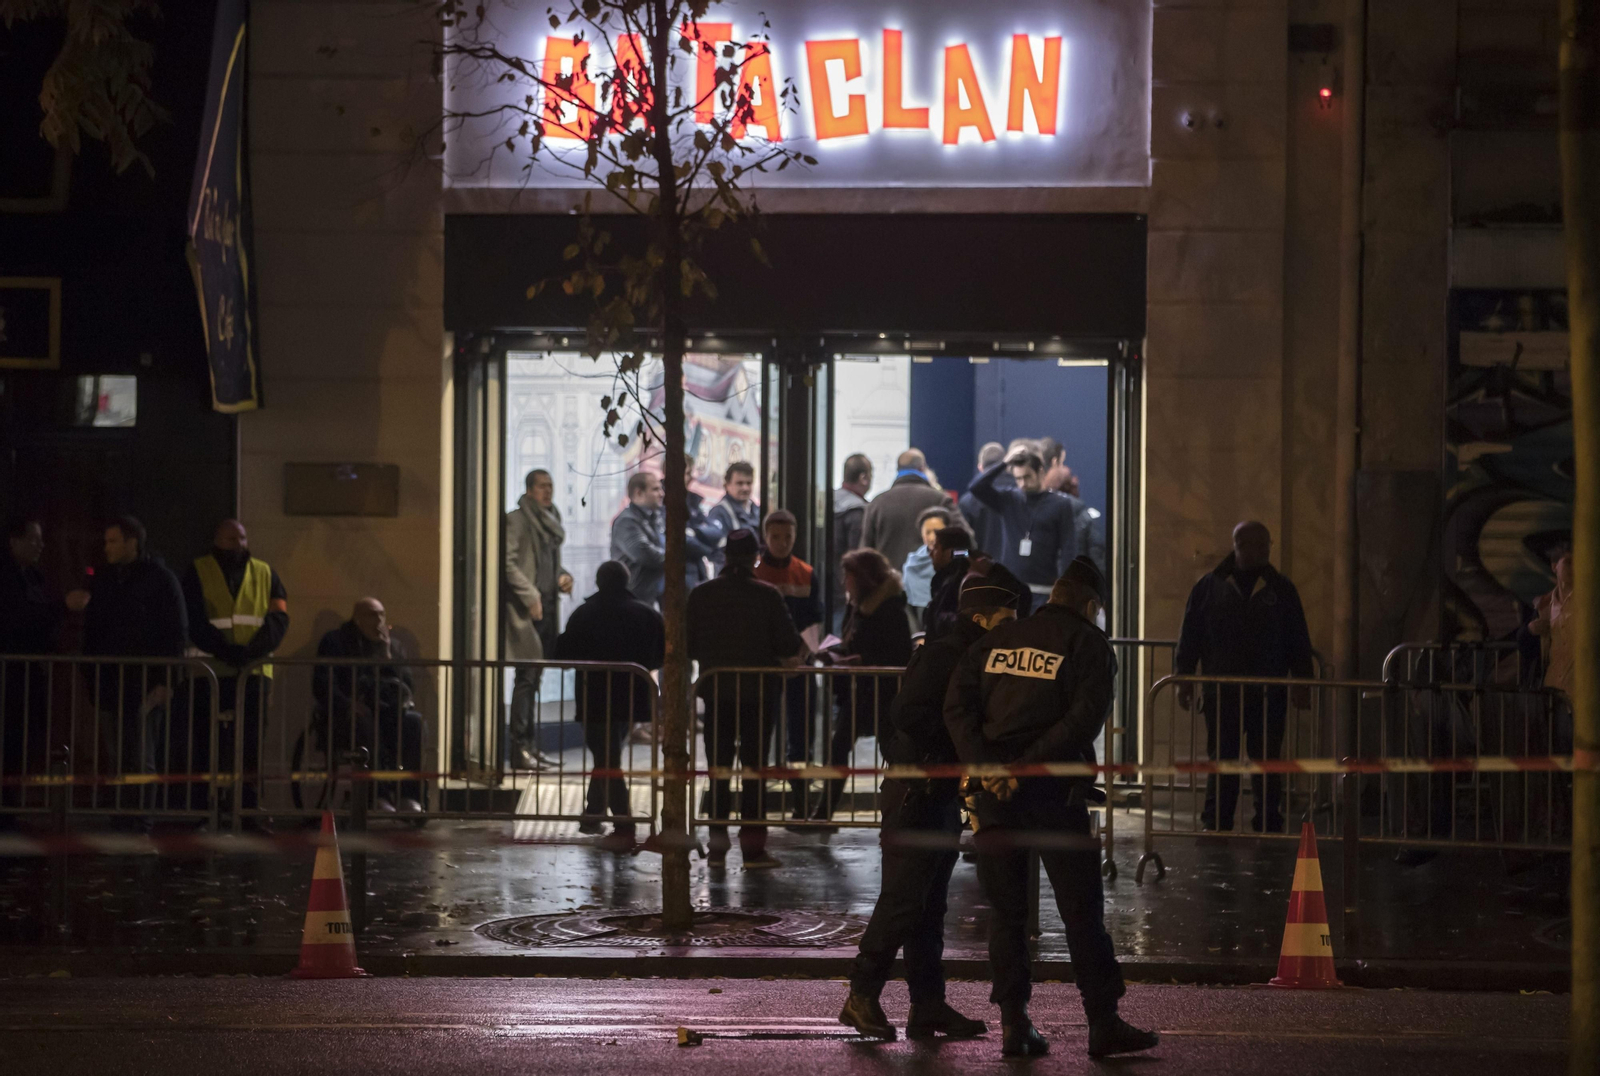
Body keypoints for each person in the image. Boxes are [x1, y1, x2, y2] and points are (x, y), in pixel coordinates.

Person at [944, 556, 1159, 1059]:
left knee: (1008, 914)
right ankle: (1103, 1022)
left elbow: (957, 703)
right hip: (1055, 798)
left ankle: (1015, 1023)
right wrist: (1021, 768)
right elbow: (1081, 723)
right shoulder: (1090, 645)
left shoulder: (1000, 640)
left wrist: (988, 766)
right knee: (1082, 912)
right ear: (1089, 605)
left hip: (994, 800)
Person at [839, 567, 1024, 1042]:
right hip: (917, 793)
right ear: (986, 615)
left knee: (928, 904)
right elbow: (907, 715)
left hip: (932, 792)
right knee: (904, 899)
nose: (1014, 625)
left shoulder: (965, 651)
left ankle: (928, 1005)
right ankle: (862, 995)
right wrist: (943, 755)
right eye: (1009, 615)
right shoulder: (949, 655)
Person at [1174, 521, 1314, 833]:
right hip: (1224, 692)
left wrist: (1303, 681)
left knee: (1265, 760)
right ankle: (1218, 819)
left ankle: (1265, 819)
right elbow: (1191, 636)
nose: (1257, 552)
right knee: (1224, 759)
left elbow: (1297, 639)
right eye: (1249, 545)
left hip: (1266, 692)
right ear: (1236, 545)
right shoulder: (1211, 587)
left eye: (1262, 546)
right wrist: (1182, 677)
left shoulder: (1279, 590)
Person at [686, 528, 805, 868]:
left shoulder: (701, 594)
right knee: (754, 771)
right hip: (758, 695)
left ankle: (718, 848)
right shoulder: (767, 595)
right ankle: (753, 850)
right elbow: (787, 643)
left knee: (719, 769)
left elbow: (690, 644)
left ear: (725, 557)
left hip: (717, 693)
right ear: (755, 556)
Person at [181, 519, 288, 824]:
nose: (238, 544)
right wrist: (227, 651)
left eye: (241, 538)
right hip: (209, 672)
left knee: (250, 746)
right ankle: (204, 810)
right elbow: (194, 618)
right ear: (217, 540)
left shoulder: (265, 573)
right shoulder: (198, 571)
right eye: (230, 539)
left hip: (252, 673)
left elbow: (279, 619)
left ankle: (249, 811)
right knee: (206, 744)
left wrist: (249, 653)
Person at [554, 560, 665, 852]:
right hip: (632, 698)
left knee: (607, 759)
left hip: (594, 697)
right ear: (627, 581)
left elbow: (563, 653)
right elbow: (660, 655)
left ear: (599, 581)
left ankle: (624, 825)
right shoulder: (646, 614)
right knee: (608, 755)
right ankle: (592, 814)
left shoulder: (584, 614)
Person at [82, 517, 189, 818]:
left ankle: (139, 825)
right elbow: (93, 632)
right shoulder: (105, 580)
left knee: (141, 758)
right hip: (111, 684)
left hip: (145, 685)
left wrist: (167, 680)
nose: (107, 548)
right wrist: (92, 678)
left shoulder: (160, 579)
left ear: (132, 543)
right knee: (119, 759)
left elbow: (176, 633)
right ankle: (122, 823)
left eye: (113, 541)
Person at [815, 548, 914, 823]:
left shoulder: (890, 609)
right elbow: (852, 641)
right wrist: (837, 652)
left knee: (891, 752)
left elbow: (897, 653)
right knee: (839, 748)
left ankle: (902, 811)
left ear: (864, 578)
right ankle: (824, 812)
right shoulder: (856, 605)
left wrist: (858, 659)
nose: (844, 582)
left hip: (882, 694)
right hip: (858, 693)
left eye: (849, 576)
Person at [313, 598, 425, 813]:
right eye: (372, 615)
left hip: (387, 712)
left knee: (415, 723)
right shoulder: (336, 642)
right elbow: (323, 683)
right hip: (347, 717)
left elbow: (408, 686)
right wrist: (347, 704)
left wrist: (387, 657)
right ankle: (378, 794)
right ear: (356, 618)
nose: (379, 620)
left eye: (382, 615)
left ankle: (409, 795)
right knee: (364, 722)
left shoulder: (391, 644)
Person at [753, 510, 824, 819]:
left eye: (787, 537)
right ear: (765, 538)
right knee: (760, 733)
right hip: (767, 666)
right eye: (775, 537)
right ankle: (757, 803)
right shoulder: (756, 572)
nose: (781, 543)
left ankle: (800, 802)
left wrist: (803, 654)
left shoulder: (806, 573)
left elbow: (815, 620)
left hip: (798, 664)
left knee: (801, 734)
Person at [0, 518, 71, 820]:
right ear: (13, 542)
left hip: (28, 677)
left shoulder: (34, 577)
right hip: (10, 678)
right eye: (32, 539)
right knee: (9, 743)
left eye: (40, 539)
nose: (39, 545)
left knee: (22, 744)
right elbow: (19, 620)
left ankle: (11, 807)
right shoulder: (7, 578)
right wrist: (61, 607)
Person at [505, 468, 575, 772]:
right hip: (526, 610)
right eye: (542, 487)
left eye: (551, 486)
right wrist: (530, 595)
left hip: (547, 608)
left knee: (535, 678)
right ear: (529, 489)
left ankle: (531, 747)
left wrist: (563, 576)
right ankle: (519, 747)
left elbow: (550, 564)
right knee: (526, 678)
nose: (548, 491)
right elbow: (507, 563)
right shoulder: (517, 520)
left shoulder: (551, 520)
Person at [967, 447, 1104, 598]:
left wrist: (1065, 588)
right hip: (1011, 590)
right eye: (1018, 478)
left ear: (1040, 472)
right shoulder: (1009, 499)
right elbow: (976, 487)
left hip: (1043, 590)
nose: (1023, 483)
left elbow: (1068, 550)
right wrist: (1004, 463)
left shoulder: (1060, 504)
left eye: (1027, 477)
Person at [861, 449, 957, 573]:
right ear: (922, 469)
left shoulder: (876, 504)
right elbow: (965, 540)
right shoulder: (940, 499)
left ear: (897, 470)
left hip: (888, 586)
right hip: (929, 585)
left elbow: (865, 554)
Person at [610, 471, 665, 606]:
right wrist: (676, 558)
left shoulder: (655, 518)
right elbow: (647, 555)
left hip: (649, 597)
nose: (662, 494)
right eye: (655, 489)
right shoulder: (626, 522)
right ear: (639, 493)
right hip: (632, 601)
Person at [832, 453, 873, 623]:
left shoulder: (827, 500)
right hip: (844, 590)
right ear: (863, 477)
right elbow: (857, 555)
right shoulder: (857, 510)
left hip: (825, 585)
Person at [921, 526, 974, 642]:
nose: (931, 555)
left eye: (935, 548)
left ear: (949, 553)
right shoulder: (948, 580)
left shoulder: (957, 583)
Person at [706, 461, 761, 571]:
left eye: (749, 483)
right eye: (739, 483)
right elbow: (714, 551)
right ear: (727, 485)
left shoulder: (757, 510)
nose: (745, 488)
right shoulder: (720, 513)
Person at [901, 506, 950, 628]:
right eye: (928, 532)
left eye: (937, 532)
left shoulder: (959, 561)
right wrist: (917, 636)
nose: (933, 538)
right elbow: (907, 608)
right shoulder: (913, 565)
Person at [958, 443, 1008, 556]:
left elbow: (962, 543)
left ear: (980, 467)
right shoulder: (1018, 495)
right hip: (1013, 569)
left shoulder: (967, 501)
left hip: (980, 567)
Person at [684, 458, 725, 589]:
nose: (693, 477)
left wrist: (695, 531)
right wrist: (709, 550)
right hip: (682, 575)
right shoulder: (663, 502)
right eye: (688, 473)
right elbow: (683, 540)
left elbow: (716, 532)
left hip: (696, 572)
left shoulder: (692, 501)